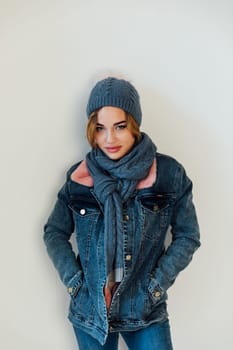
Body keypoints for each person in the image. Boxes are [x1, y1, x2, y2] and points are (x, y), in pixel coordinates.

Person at [43, 76, 200, 349]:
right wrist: (75, 285)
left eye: (120, 127)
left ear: (134, 125)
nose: (109, 139)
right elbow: (54, 232)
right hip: (91, 312)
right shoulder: (79, 177)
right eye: (101, 128)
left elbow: (188, 235)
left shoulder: (168, 175)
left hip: (144, 310)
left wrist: (155, 288)